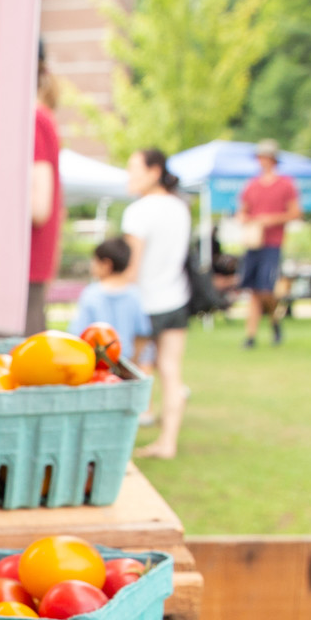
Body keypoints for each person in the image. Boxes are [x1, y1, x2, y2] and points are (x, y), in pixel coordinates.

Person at [123, 147, 192, 460]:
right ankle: (168, 443)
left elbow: (132, 269)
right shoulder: (180, 207)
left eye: (134, 168)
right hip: (175, 299)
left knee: (129, 370)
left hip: (143, 303)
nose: (129, 176)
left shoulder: (138, 211)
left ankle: (120, 441)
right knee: (171, 371)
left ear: (154, 171)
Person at [236, 139, 298, 348]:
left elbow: (295, 212)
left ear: (272, 159)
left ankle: (274, 320)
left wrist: (270, 219)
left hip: (273, 242)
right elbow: (242, 212)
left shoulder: (285, 184)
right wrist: (247, 219)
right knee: (253, 289)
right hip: (254, 242)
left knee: (266, 289)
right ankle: (250, 335)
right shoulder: (251, 185)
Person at [24, 58, 63, 336]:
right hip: (31, 267)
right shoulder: (44, 118)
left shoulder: (34, 119)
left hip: (24, 267)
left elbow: (39, 206)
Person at [68, 236, 150, 351]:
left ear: (106, 264)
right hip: (125, 364)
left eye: (95, 261)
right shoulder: (134, 294)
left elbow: (77, 333)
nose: (92, 265)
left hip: (98, 362)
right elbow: (142, 333)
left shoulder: (91, 294)